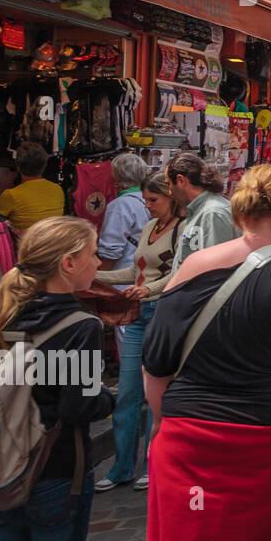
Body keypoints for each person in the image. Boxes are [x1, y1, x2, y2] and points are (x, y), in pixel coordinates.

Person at [142, 164, 271, 541]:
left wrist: (164, 422)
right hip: (267, 446)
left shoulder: (192, 266)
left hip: (188, 442)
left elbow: (155, 361)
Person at [0, 217, 114, 541]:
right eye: (93, 254)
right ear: (69, 263)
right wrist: (107, 397)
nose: (98, 262)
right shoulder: (81, 326)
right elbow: (81, 405)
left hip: (6, 463)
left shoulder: (10, 311)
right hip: (56, 467)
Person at [93, 172, 184, 492]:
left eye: (153, 200)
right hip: (138, 315)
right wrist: (99, 277)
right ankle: (121, 467)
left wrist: (149, 291)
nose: (147, 207)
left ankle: (153, 462)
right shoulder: (149, 227)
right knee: (129, 391)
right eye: (145, 200)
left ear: (171, 197)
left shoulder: (183, 229)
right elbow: (137, 270)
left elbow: (179, 271)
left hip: (162, 312)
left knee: (156, 394)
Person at [166, 153, 238, 269]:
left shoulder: (213, 213)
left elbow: (214, 269)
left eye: (168, 184)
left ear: (181, 180)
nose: (170, 192)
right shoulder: (203, 211)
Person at [97, 153, 150, 271]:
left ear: (116, 176)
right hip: (143, 272)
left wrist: (100, 279)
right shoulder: (149, 199)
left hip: (122, 277)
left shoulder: (120, 205)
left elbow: (110, 251)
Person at [0, 142, 64, 233]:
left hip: (25, 245)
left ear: (18, 167)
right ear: (44, 166)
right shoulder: (57, 190)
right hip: (52, 243)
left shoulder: (11, 195)